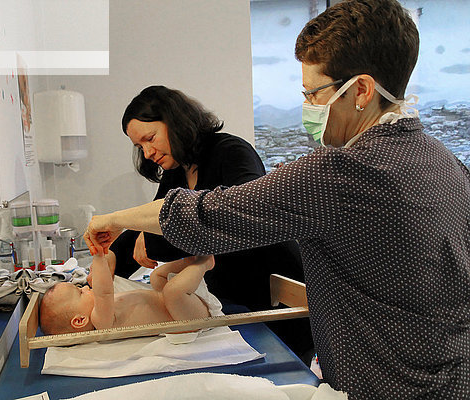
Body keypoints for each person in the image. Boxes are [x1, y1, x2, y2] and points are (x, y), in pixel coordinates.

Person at [83, 1, 470, 398]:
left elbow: (208, 215)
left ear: (362, 90)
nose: (309, 106)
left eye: (314, 93)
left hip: (389, 385)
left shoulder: (342, 172)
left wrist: (111, 220)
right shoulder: (444, 159)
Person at [105, 85, 312, 360]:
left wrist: (152, 236)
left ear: (175, 122)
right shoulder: (176, 172)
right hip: (231, 296)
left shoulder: (231, 152)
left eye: (150, 138)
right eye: (139, 146)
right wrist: (108, 259)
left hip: (272, 294)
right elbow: (152, 223)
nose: (147, 153)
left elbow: (234, 221)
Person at [39, 254, 220, 335]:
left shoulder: (101, 314)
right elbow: (104, 293)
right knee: (172, 292)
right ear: (80, 321)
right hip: (187, 318)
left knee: (157, 276)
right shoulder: (102, 323)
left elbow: (103, 293)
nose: (85, 287)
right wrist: (99, 256)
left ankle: (190, 261)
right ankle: (203, 263)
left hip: (178, 306)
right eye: (79, 292)